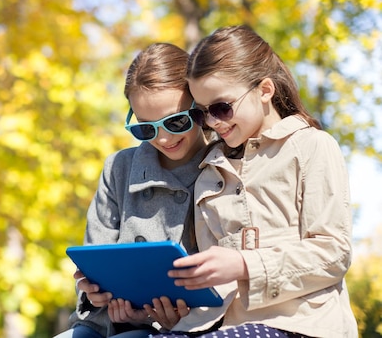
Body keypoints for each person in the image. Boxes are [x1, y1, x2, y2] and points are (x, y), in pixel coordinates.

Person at [146, 25, 358, 337]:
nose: (214, 122)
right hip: (220, 326)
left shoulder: (312, 146)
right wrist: (175, 312)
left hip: (299, 324)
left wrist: (245, 264)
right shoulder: (209, 169)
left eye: (221, 107)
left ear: (264, 90)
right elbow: (214, 282)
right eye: (203, 114)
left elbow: (334, 253)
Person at [54, 42, 210, 338]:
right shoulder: (119, 168)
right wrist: (92, 292)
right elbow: (95, 253)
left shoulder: (221, 166)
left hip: (178, 329)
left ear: (198, 106)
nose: (163, 139)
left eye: (176, 121)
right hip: (102, 323)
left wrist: (179, 316)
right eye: (145, 128)